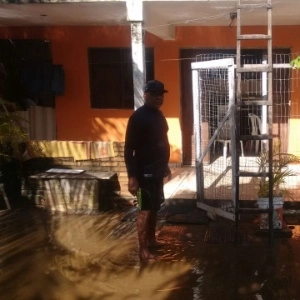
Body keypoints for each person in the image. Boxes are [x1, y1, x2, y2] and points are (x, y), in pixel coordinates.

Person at [124, 80, 172, 261]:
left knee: (154, 208)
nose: (159, 98)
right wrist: (132, 177)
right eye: (155, 94)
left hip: (157, 171)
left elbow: (160, 141)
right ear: (146, 95)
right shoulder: (138, 117)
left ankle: (151, 240)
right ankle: (143, 250)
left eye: (161, 94)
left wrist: (164, 164)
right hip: (143, 173)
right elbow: (129, 149)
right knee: (144, 210)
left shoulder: (159, 115)